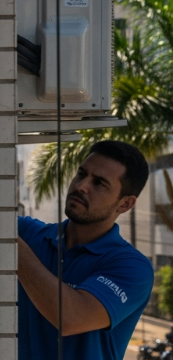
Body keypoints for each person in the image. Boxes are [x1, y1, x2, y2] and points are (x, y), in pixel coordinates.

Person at [17, 141, 154, 360]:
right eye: (81, 174)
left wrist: (8, 245)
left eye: (99, 183)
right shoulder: (28, 235)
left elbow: (70, 318)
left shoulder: (132, 267)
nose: (82, 186)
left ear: (125, 204)